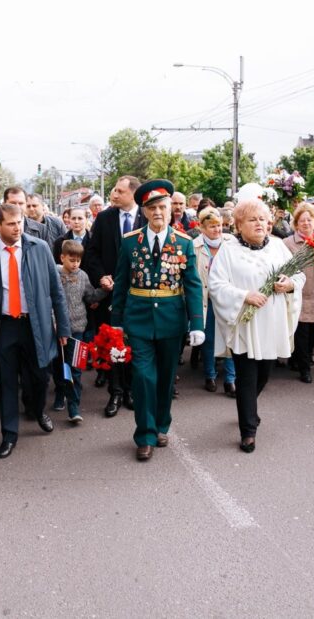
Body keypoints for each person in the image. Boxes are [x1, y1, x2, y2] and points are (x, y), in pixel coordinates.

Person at [111, 181, 204, 461]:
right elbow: (121, 283)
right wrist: (117, 321)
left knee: (165, 377)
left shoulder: (183, 242)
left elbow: (193, 285)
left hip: (171, 320)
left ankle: (162, 424)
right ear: (144, 211)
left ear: (170, 209)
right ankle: (145, 435)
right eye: (152, 208)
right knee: (142, 377)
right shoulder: (130, 242)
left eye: (162, 207)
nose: (158, 213)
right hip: (138, 319)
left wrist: (197, 323)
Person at [0, 203, 70, 459]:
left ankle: (38, 410)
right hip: (5, 327)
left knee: (39, 378)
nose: (18, 228)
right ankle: (9, 434)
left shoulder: (40, 248)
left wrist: (63, 326)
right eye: (11, 224)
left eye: (20, 222)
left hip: (36, 324)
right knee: (6, 382)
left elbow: (56, 291)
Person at [208, 198, 305, 453]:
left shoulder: (277, 247)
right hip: (245, 324)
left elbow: (298, 275)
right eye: (252, 219)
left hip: (272, 323)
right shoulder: (229, 250)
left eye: (263, 219)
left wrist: (289, 284)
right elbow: (216, 285)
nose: (259, 223)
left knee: (263, 375)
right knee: (247, 377)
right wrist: (244, 296)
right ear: (239, 225)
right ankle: (248, 431)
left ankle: (247, 405)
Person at [83, 175, 144, 416]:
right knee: (114, 344)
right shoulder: (104, 218)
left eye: (120, 191)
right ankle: (116, 392)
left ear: (133, 194)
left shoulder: (146, 216)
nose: (114, 194)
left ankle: (131, 390)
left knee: (135, 343)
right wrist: (101, 277)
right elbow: (91, 253)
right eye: (114, 190)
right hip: (111, 295)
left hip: (139, 295)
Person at [52, 240, 106, 422]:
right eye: (71, 260)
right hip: (57, 329)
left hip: (77, 329)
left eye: (78, 261)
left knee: (75, 367)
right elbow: (49, 299)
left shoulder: (82, 276)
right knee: (59, 366)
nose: (75, 264)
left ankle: (74, 406)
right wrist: (54, 322)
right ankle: (60, 393)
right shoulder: (55, 273)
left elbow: (90, 297)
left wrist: (104, 290)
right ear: (62, 257)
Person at [283, 203, 314, 383]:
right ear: (296, 223)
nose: (306, 223)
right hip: (297, 293)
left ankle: (300, 357)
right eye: (302, 220)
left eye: (309, 220)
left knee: (313, 331)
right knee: (301, 332)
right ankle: (305, 369)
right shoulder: (287, 243)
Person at [192, 208, 236, 395]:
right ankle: (210, 375)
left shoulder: (231, 242)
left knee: (230, 338)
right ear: (202, 228)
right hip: (206, 300)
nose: (217, 230)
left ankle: (230, 379)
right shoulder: (194, 246)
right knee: (209, 339)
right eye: (212, 226)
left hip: (227, 299)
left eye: (219, 225)